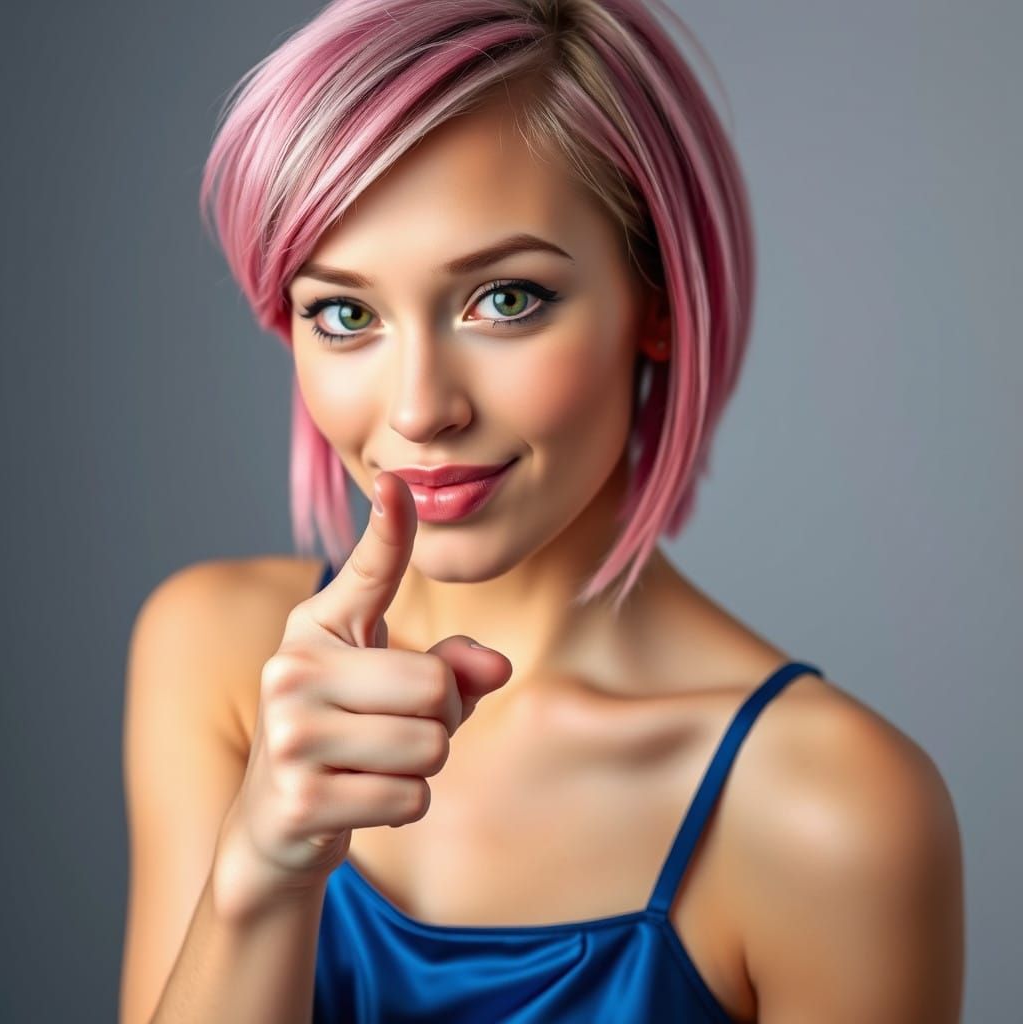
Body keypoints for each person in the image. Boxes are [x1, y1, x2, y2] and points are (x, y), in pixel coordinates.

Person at [119, 1, 965, 1021]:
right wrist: (259, 880)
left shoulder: (833, 814)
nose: (420, 408)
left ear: (657, 300)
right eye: (345, 313)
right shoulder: (215, 659)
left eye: (505, 300)